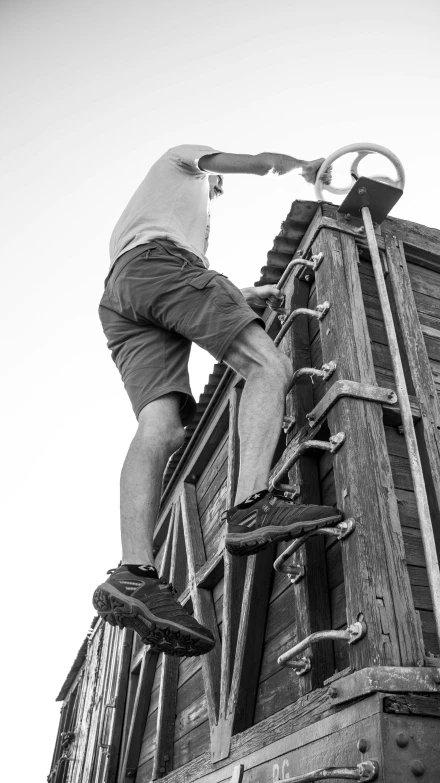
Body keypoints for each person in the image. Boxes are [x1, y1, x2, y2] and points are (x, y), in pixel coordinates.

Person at [93, 145, 342, 656]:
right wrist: (302, 166)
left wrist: (237, 291)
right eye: (216, 184)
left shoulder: (151, 217)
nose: (217, 189)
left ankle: (134, 573)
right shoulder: (179, 161)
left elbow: (173, 285)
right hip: (160, 266)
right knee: (268, 366)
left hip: (122, 294)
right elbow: (255, 161)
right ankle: (251, 505)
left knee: (160, 430)